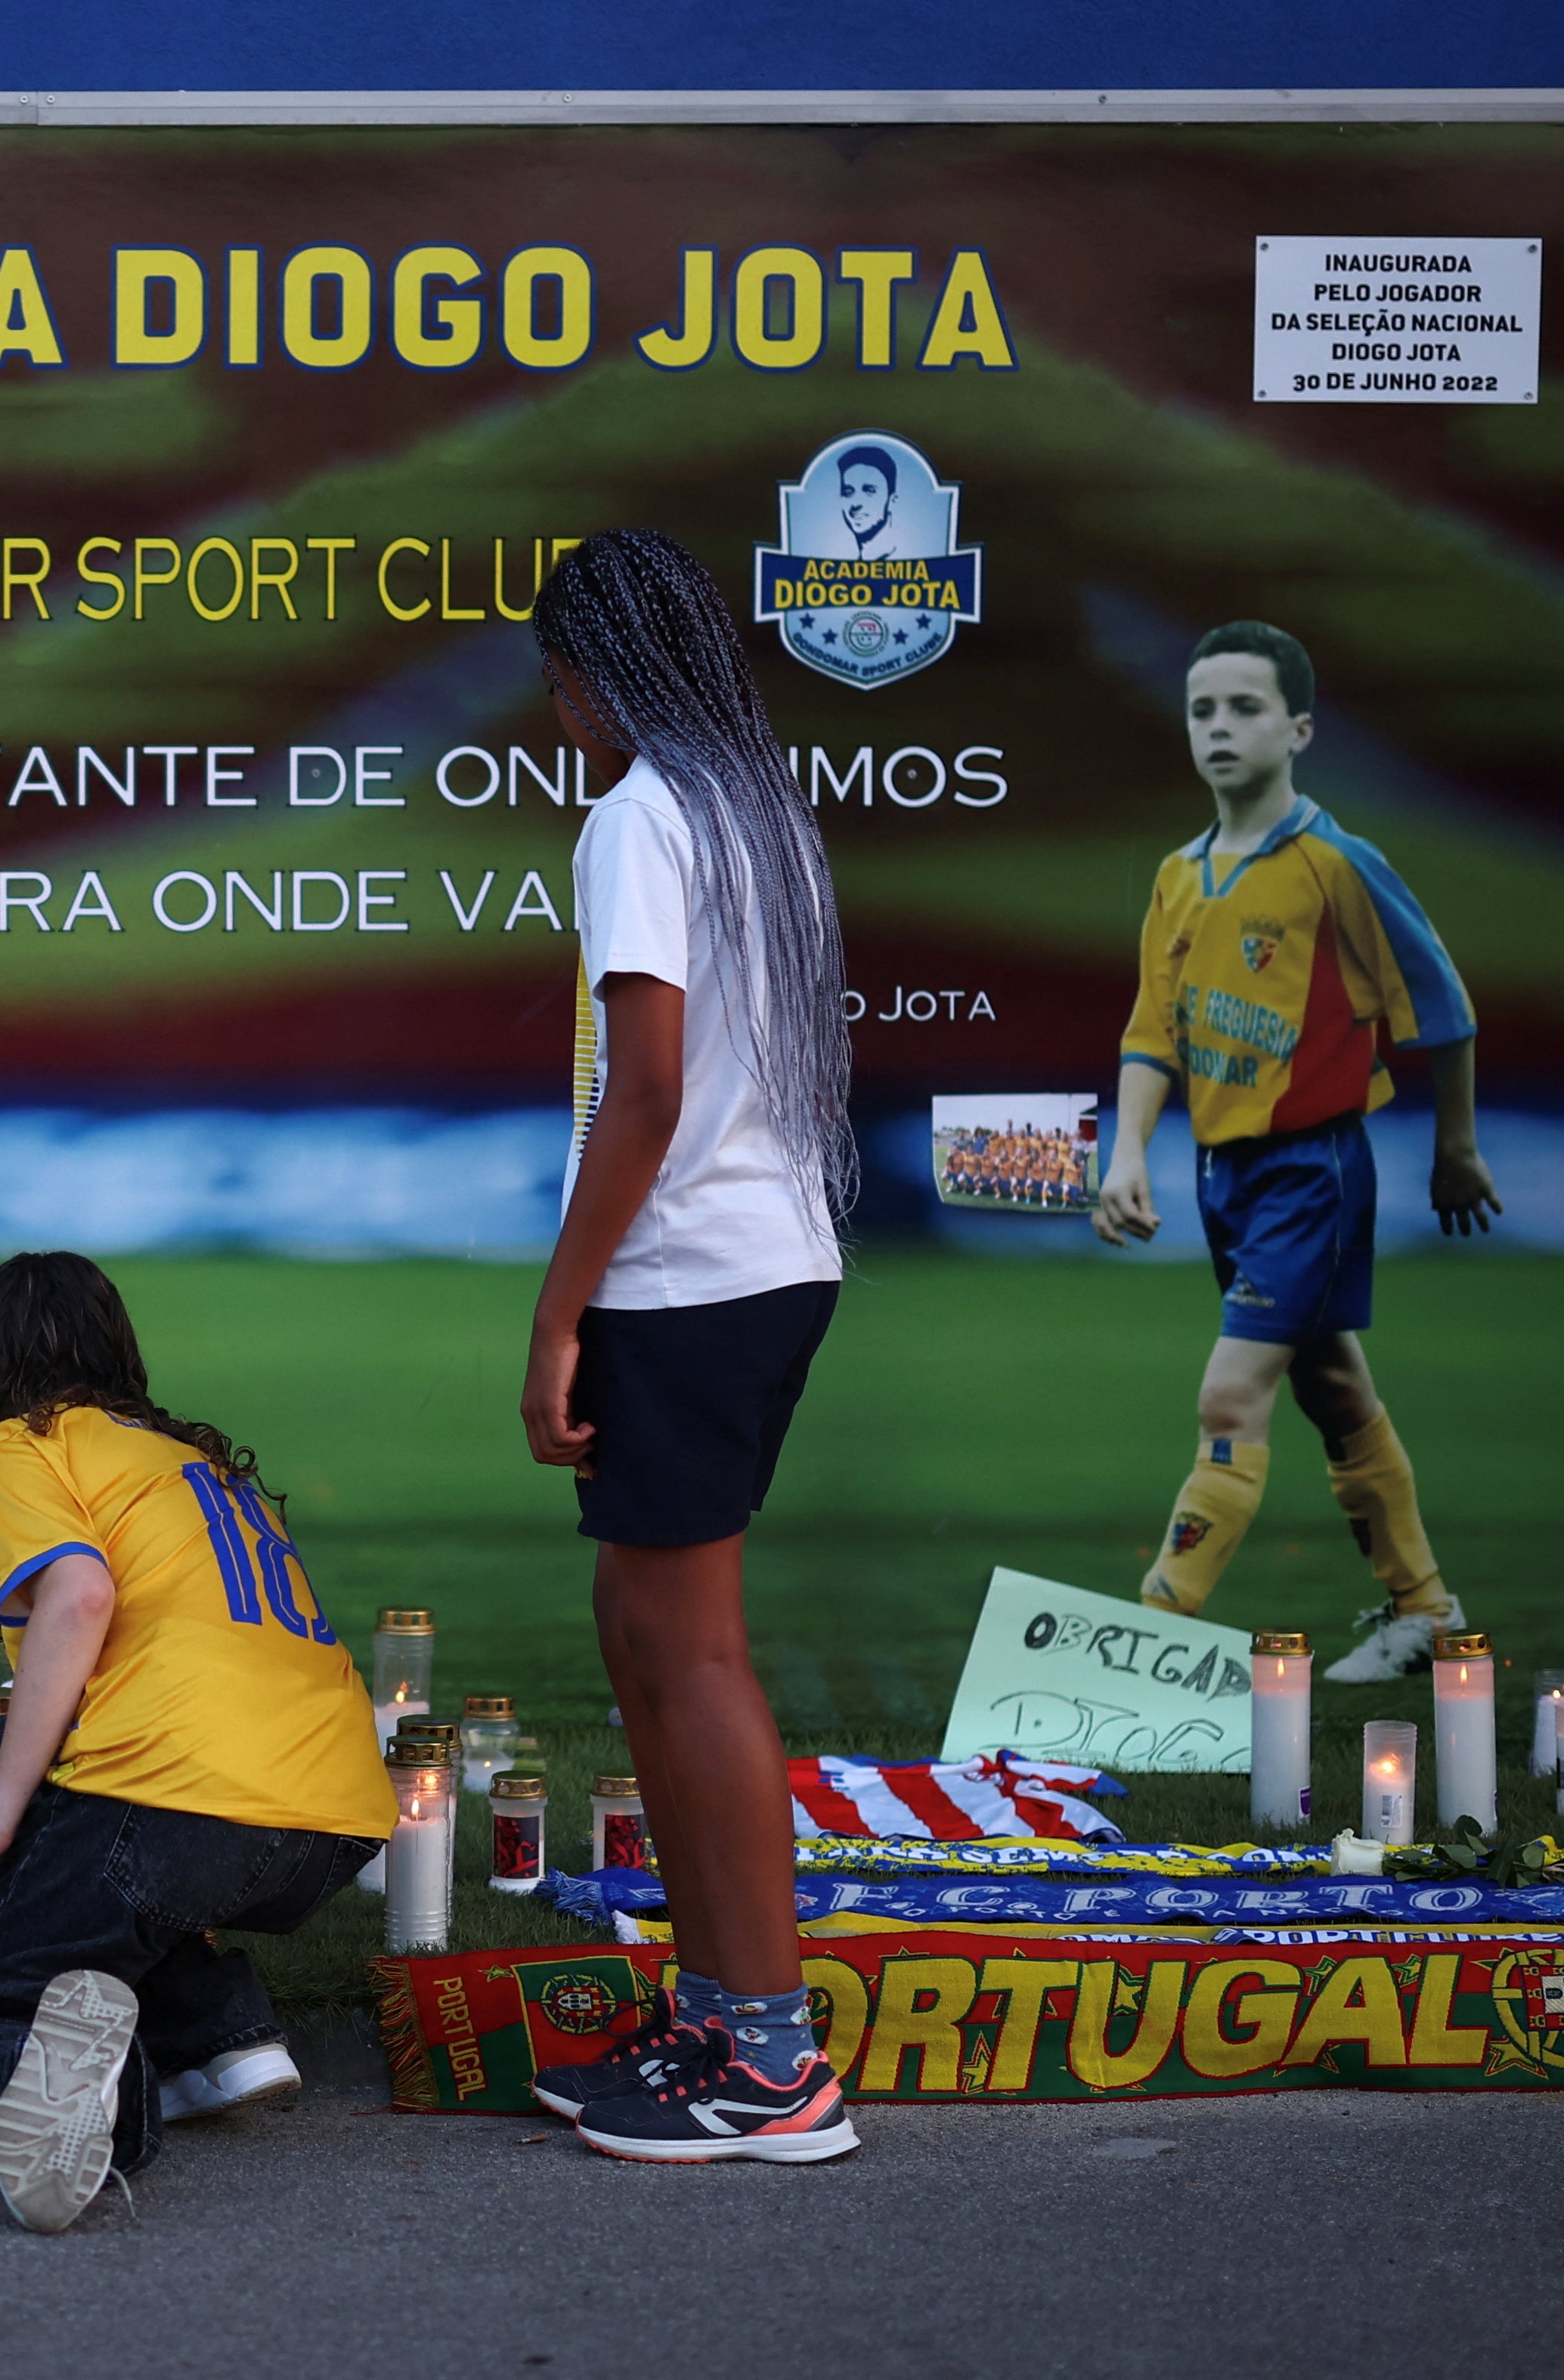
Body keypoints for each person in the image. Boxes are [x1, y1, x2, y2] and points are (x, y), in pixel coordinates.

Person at [513, 529, 859, 2165]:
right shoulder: (751, 808)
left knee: (691, 1651)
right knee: (644, 1639)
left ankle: (771, 2064)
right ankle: (717, 2014)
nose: (552, 710)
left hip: (686, 1280)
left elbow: (644, 1094)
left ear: (597, 678)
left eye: (558, 679)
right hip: (759, 1266)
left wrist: (557, 1311)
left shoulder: (641, 815)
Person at [0, 1251, 392, 2234]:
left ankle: (100, 2116)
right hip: (330, 1827)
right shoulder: (185, 1459)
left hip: (178, 1805)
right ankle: (221, 2031)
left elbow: (79, 1595)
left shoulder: (12, 1444)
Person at [1095, 621, 1496, 1680]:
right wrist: (1126, 1151)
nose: (1220, 727)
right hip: (1223, 1175)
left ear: (1301, 727)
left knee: (1232, 1398)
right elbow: (1149, 1031)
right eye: (1202, 710)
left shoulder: (1337, 867)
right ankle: (1426, 1610)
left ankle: (1151, 1638)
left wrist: (1455, 1147)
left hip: (1311, 1170)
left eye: (1245, 707)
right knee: (1335, 1390)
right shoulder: (1180, 875)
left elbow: (1443, 1007)